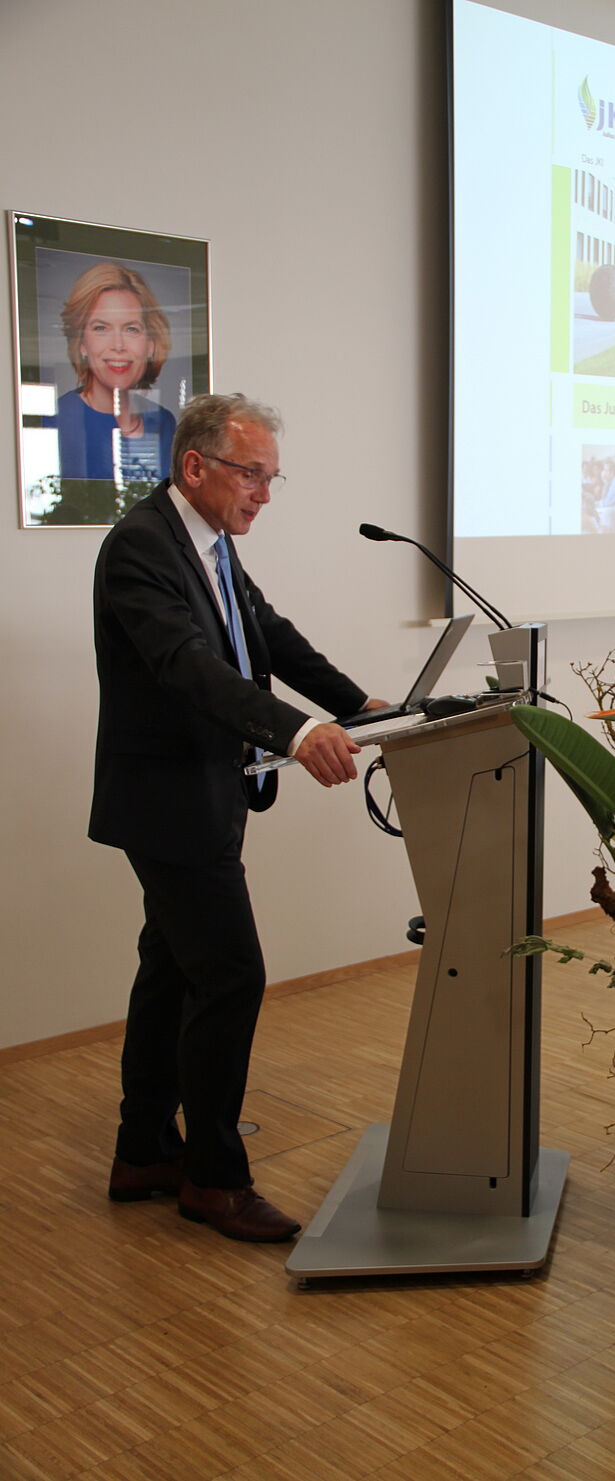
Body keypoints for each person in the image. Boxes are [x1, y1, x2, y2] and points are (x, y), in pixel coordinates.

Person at [91, 392, 387, 1242]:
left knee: (173, 970)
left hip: (206, 794)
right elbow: (187, 665)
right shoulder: (140, 547)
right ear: (196, 467)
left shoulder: (210, 545)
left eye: (270, 477)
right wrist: (298, 732)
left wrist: (358, 705)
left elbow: (271, 638)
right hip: (169, 803)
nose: (263, 492)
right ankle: (214, 1180)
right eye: (251, 473)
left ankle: (144, 1149)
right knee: (232, 975)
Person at [44, 261, 176, 483]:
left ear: (150, 344)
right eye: (101, 328)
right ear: (82, 343)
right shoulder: (58, 420)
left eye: (131, 329)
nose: (118, 345)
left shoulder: (165, 423)